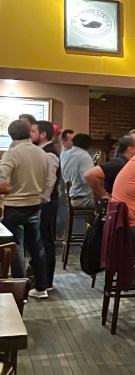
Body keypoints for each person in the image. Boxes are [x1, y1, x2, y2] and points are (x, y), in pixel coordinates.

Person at [0, 118, 55, 299]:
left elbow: (2, 179)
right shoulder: (41, 153)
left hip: (14, 206)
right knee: (36, 246)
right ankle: (41, 288)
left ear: (11, 134)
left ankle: (19, 287)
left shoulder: (12, 153)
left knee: (15, 247)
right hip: (35, 205)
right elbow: (47, 182)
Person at [31, 120, 61, 290]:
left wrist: (39, 202)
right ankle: (40, 277)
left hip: (46, 203)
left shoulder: (49, 154)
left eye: (33, 131)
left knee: (44, 241)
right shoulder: (42, 152)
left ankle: (46, 281)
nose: (31, 134)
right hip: (44, 202)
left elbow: (49, 183)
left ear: (42, 134)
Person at [84, 133, 135, 199]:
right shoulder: (119, 163)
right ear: (131, 149)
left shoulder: (129, 163)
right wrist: (104, 195)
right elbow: (90, 175)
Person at [61, 133, 95, 207]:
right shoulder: (84, 156)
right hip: (82, 199)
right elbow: (87, 179)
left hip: (69, 197)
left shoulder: (65, 154)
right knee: (108, 203)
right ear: (89, 145)